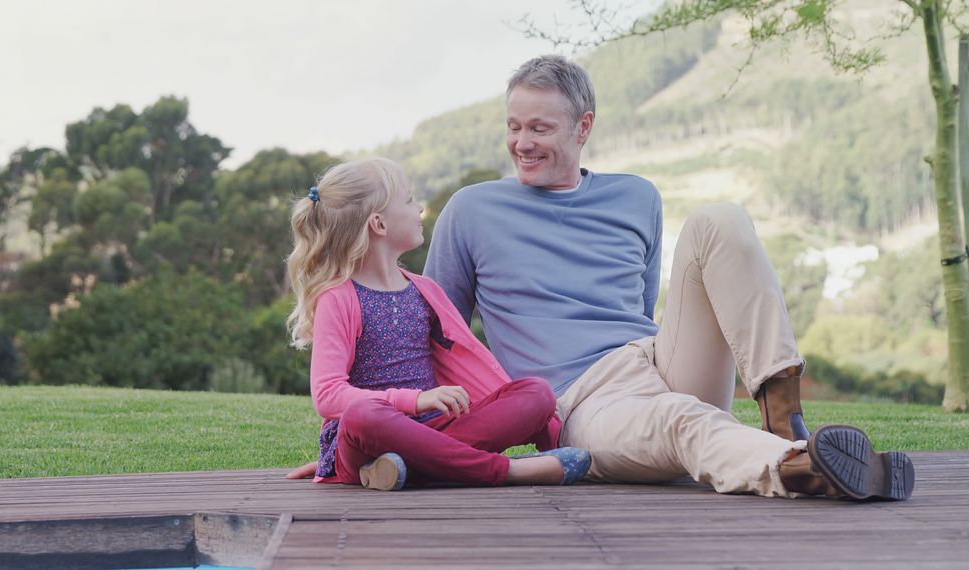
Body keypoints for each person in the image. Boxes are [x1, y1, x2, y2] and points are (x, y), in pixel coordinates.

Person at [415, 55, 914, 500]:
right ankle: (800, 466)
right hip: (579, 405)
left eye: (540, 129)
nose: (522, 143)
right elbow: (438, 332)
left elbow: (641, 303)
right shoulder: (472, 210)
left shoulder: (637, 197)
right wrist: (423, 421)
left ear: (582, 127)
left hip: (654, 360)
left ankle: (782, 413)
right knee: (680, 419)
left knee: (720, 219)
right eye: (514, 126)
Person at [286, 157, 591, 491]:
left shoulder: (424, 290)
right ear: (379, 225)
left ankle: (407, 466)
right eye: (409, 200)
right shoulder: (339, 298)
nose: (419, 208)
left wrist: (549, 436)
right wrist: (413, 401)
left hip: (437, 427)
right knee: (364, 415)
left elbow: (472, 363)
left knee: (536, 392)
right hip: (369, 435)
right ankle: (507, 471)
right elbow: (328, 396)